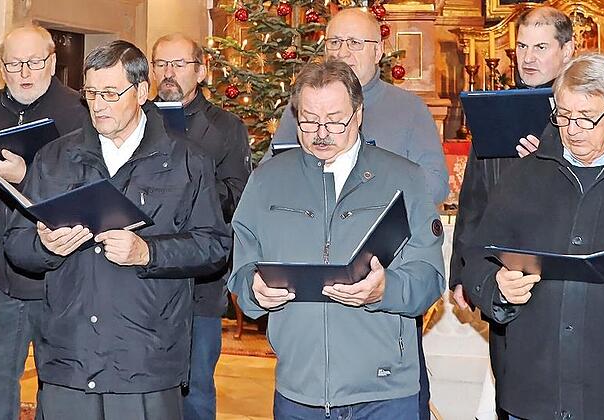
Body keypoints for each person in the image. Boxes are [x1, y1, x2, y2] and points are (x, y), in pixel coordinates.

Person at [3, 40, 230, 420]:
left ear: (142, 92)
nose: (98, 104)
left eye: (111, 93)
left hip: (146, 361)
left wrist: (148, 253)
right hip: (69, 357)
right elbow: (15, 243)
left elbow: (213, 247)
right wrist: (45, 246)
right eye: (91, 93)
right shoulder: (56, 157)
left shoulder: (187, 160)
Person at [229, 60, 445, 420]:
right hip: (299, 390)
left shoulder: (405, 178)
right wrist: (253, 290)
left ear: (358, 114)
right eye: (309, 120)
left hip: (384, 393)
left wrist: (384, 290)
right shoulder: (267, 180)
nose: (321, 132)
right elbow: (242, 267)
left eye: (334, 119)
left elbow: (429, 276)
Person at [461, 52, 604, 419]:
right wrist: (497, 286)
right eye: (563, 115)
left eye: (587, 118)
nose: (573, 129)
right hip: (534, 394)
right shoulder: (521, 179)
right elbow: (476, 257)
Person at [0, 25, 89, 420]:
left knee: (63, 379)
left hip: (65, 271)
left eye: (34, 62)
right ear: (2, 68)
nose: (25, 72)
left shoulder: (79, 111)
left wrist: (27, 175)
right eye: (14, 64)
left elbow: (92, 186)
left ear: (51, 62)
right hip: (4, 272)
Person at [151, 32, 252, 420]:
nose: (169, 74)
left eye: (179, 64)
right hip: (143, 276)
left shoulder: (226, 128)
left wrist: (187, 192)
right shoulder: (138, 120)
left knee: (193, 393)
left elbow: (236, 194)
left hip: (200, 283)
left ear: (202, 71)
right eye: (161, 65)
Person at [450, 6, 575, 309]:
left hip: (565, 274)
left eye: (541, 47)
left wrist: (550, 162)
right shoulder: (496, 110)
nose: (528, 58)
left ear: (567, 49)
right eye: (522, 46)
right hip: (503, 276)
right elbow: (474, 201)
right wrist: (462, 274)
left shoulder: (584, 115)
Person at [267, 8, 448, 206]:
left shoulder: (410, 109)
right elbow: (269, 172)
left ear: (377, 51)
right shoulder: (304, 106)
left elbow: (436, 186)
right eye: (334, 42)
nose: (342, 53)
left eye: (354, 43)